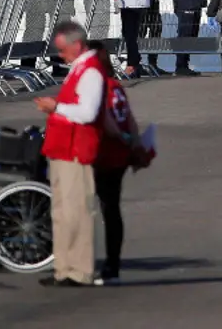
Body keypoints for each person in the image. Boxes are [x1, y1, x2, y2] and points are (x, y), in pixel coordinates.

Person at [35, 21, 104, 288]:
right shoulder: (80, 69)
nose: (60, 55)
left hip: (76, 150)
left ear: (76, 45)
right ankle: (64, 268)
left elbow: (88, 113)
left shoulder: (90, 72)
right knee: (63, 211)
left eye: (62, 50)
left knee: (76, 211)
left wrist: (57, 107)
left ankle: (79, 270)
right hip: (64, 149)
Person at [89, 40, 145, 286]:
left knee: (96, 206)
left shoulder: (99, 87)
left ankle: (102, 263)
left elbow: (106, 119)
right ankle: (113, 262)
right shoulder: (116, 86)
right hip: (120, 155)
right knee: (112, 209)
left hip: (104, 154)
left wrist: (120, 137)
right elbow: (129, 118)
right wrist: (133, 141)